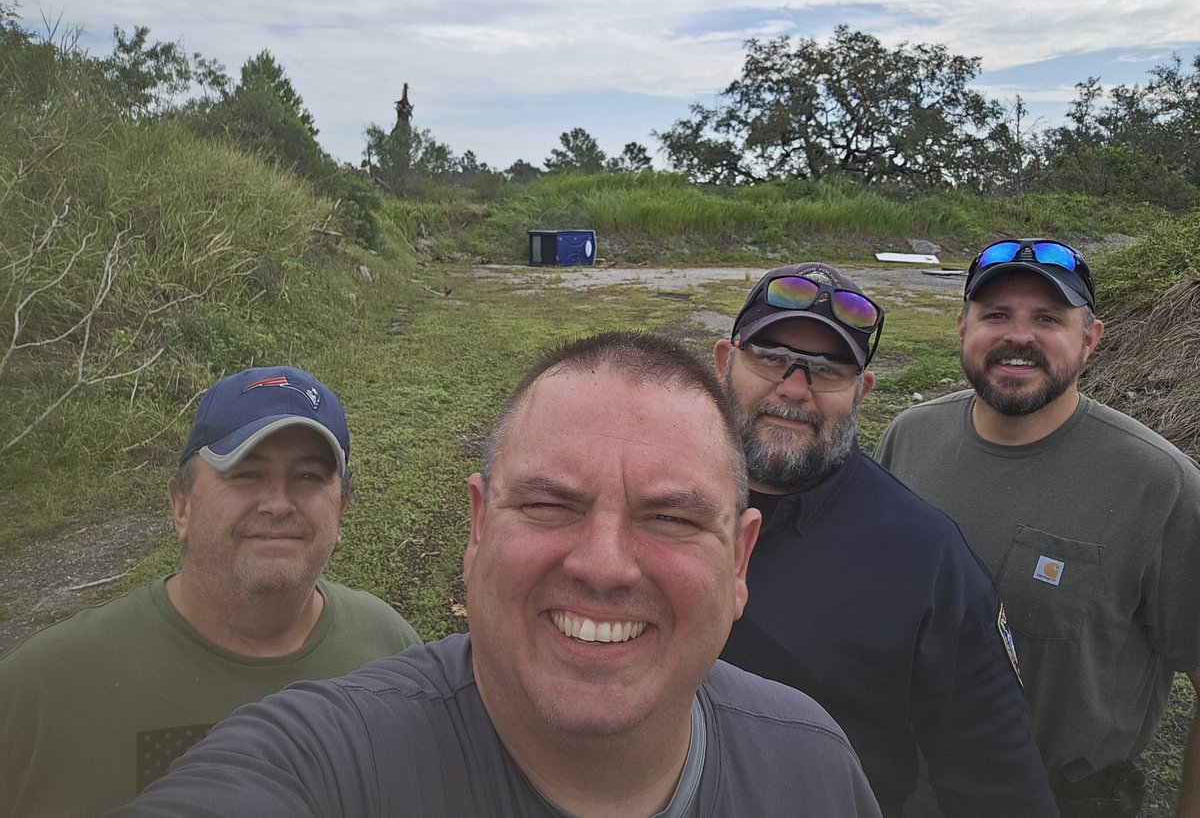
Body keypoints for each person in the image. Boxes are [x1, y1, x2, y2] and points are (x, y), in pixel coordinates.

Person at [116, 332, 883, 817]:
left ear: (740, 559)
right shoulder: (325, 765)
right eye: (550, 505)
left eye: (673, 518)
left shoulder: (813, 764)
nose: (604, 566)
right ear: (479, 529)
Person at [714, 263, 1057, 818]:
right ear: (725, 363)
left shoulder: (925, 557)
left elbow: (998, 784)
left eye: (829, 370)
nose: (794, 389)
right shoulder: (647, 498)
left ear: (862, 391)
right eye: (772, 358)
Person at [0, 366, 422, 817]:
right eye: (245, 474)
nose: (278, 503)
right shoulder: (41, 692)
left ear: (340, 509)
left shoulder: (392, 658)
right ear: (181, 505)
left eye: (308, 477)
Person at [874, 239, 1200, 818]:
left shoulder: (1160, 485)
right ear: (962, 328)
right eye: (996, 315)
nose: (1017, 336)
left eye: (1048, 318)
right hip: (904, 793)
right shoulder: (909, 438)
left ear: (1090, 339)